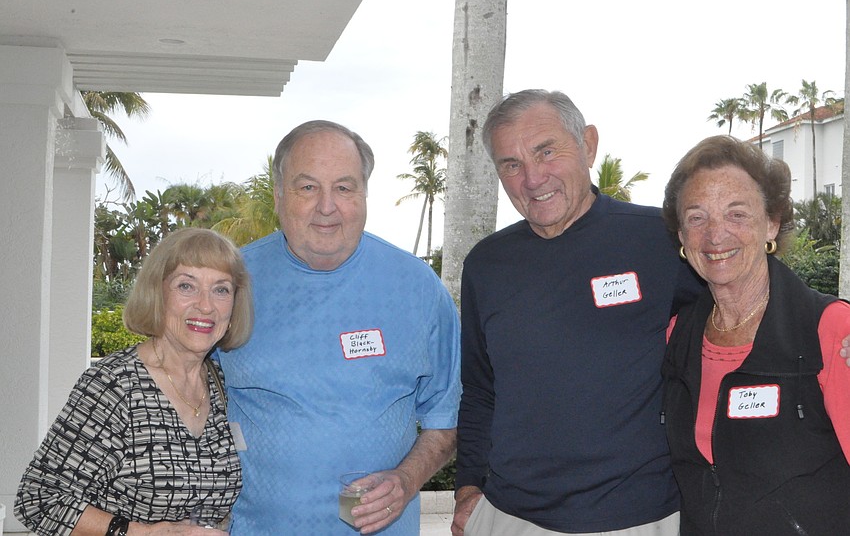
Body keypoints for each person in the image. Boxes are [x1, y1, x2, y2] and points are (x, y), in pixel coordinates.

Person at [452, 89, 704, 536]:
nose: (532, 178)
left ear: (587, 145)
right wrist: (469, 486)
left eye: (546, 151)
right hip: (511, 517)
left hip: (639, 518)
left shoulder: (660, 241)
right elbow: (479, 388)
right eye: (511, 164)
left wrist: (835, 328)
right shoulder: (486, 265)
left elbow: (754, 297)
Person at [217, 120, 461, 535]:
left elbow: (449, 417)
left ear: (364, 195)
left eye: (344, 188)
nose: (326, 206)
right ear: (279, 196)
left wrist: (406, 480)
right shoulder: (230, 283)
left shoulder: (417, 287)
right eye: (307, 187)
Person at [660, 135, 850, 534]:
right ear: (681, 236)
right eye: (696, 217)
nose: (715, 235)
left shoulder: (829, 329)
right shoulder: (678, 334)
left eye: (736, 214)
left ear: (772, 223)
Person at [15, 227, 253, 536]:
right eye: (186, 286)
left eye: (221, 289)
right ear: (157, 293)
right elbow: (38, 499)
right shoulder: (114, 385)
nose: (205, 305)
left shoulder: (222, 386)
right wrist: (145, 533)